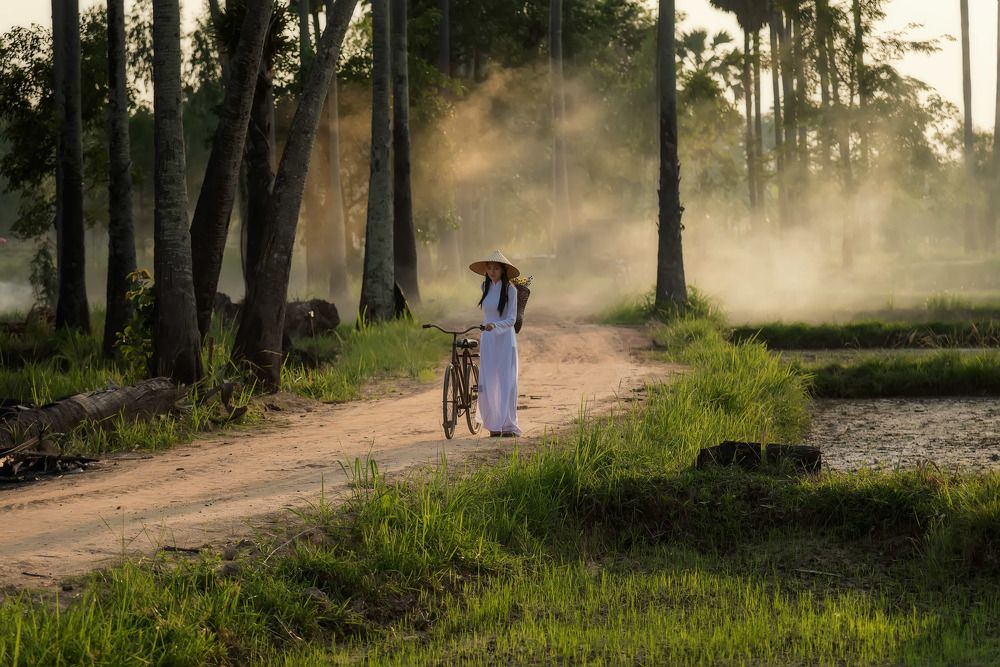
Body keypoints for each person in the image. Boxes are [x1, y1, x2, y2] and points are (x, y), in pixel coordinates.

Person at [469, 249, 522, 437]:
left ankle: (507, 425)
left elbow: (511, 320)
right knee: (488, 379)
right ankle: (493, 424)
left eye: (496, 268)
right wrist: (487, 327)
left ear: (503, 270)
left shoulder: (511, 290)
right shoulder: (485, 287)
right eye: (489, 268)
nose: (492, 271)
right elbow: (486, 315)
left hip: (505, 340)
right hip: (488, 339)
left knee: (506, 381)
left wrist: (495, 325)